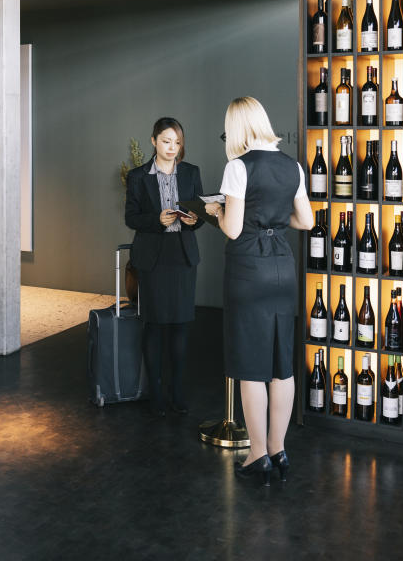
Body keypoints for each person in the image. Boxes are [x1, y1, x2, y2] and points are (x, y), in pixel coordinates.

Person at [203, 97, 313, 485]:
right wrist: (275, 219)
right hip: (283, 267)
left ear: (237, 128)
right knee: (282, 365)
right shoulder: (292, 165)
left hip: (250, 270)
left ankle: (258, 454)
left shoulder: (238, 167)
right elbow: (307, 220)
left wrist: (216, 212)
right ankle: (280, 448)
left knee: (251, 366)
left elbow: (232, 229)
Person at [125, 117, 206, 416]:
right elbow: (131, 217)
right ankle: (156, 393)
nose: (172, 148)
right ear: (153, 141)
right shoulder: (137, 176)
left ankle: (178, 390)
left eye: (177, 142)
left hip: (183, 256)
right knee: (155, 326)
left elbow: (198, 216)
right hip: (152, 258)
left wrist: (194, 220)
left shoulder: (191, 172)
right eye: (166, 141)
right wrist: (155, 220)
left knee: (181, 326)